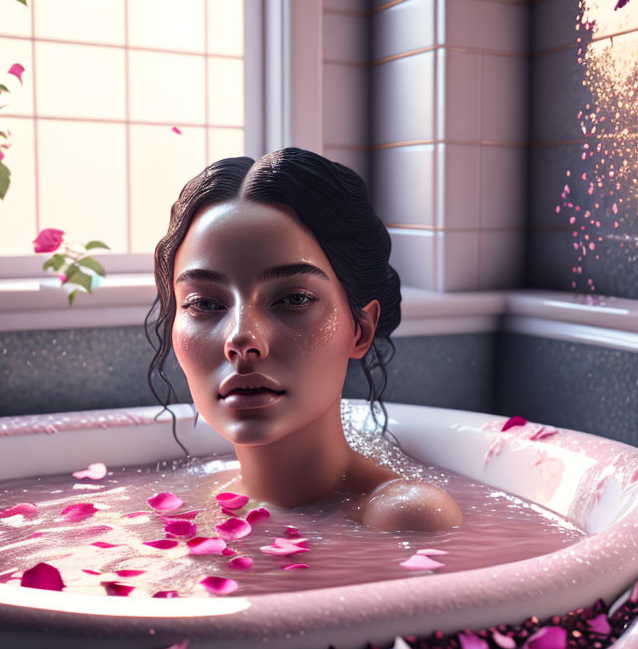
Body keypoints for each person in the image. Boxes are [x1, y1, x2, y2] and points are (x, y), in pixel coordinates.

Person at [147, 148, 462, 532]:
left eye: (293, 299)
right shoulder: (205, 494)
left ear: (360, 328)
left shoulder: (406, 517)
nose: (241, 339)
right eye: (205, 303)